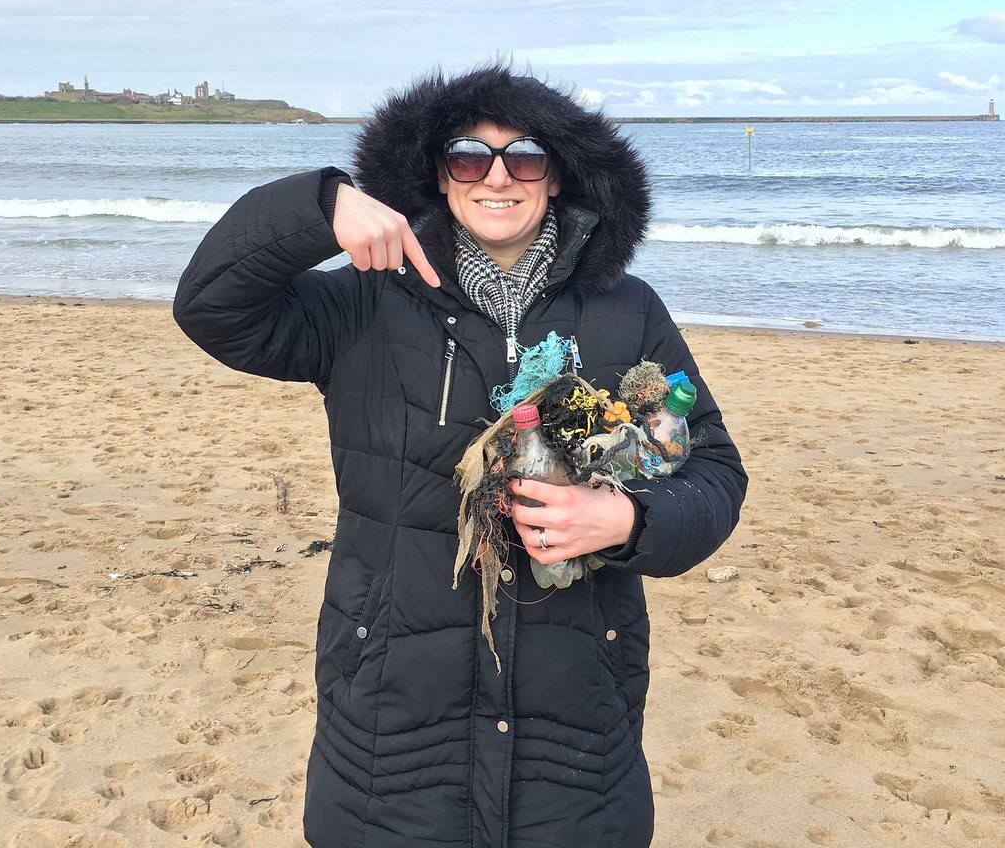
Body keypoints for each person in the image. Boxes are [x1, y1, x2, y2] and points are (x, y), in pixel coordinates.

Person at [173, 64, 747, 848]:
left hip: (576, 745)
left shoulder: (630, 311)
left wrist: (627, 518)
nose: (498, 176)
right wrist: (320, 205)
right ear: (438, 176)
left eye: (526, 157)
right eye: (470, 156)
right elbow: (211, 305)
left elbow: (713, 472)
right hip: (390, 735)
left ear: (559, 176)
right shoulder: (363, 300)